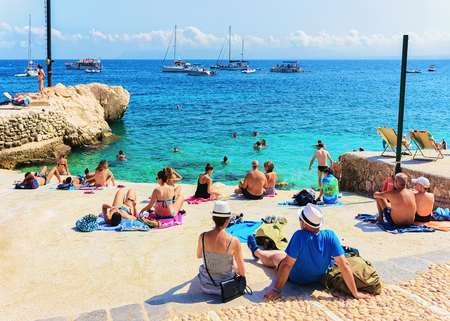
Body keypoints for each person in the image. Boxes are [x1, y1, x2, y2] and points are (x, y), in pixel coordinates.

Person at [247, 203, 372, 301]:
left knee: (275, 258)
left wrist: (277, 290)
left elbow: (286, 265)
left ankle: (256, 251)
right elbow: (344, 265)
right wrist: (355, 293)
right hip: (319, 276)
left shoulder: (299, 235)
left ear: (304, 224)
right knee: (286, 257)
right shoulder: (330, 236)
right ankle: (257, 252)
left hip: (298, 278)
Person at [197, 201, 246, 295]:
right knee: (233, 264)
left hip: (206, 286)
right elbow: (242, 272)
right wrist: (234, 265)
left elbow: (199, 255)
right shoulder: (234, 241)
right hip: (226, 287)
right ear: (228, 220)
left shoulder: (202, 236)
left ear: (213, 218)